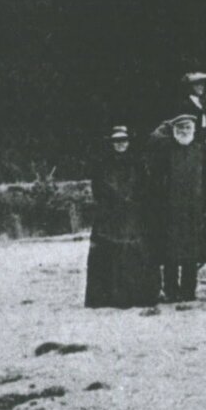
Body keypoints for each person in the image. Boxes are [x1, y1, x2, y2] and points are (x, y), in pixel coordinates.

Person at [86, 125, 161, 308]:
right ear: (111, 143)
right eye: (116, 141)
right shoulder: (102, 164)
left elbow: (146, 187)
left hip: (134, 213)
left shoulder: (138, 163)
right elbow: (98, 189)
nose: (120, 144)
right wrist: (114, 200)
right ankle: (110, 296)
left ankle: (139, 295)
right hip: (110, 214)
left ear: (128, 142)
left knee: (136, 252)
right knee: (109, 251)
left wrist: (133, 200)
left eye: (123, 141)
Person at [146, 111, 206, 300]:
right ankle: (171, 290)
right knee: (171, 253)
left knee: (192, 253)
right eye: (180, 128)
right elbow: (155, 180)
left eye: (188, 127)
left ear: (193, 129)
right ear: (174, 130)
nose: (184, 131)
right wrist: (157, 206)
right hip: (170, 210)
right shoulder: (165, 150)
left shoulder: (201, 149)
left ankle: (188, 290)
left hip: (194, 209)